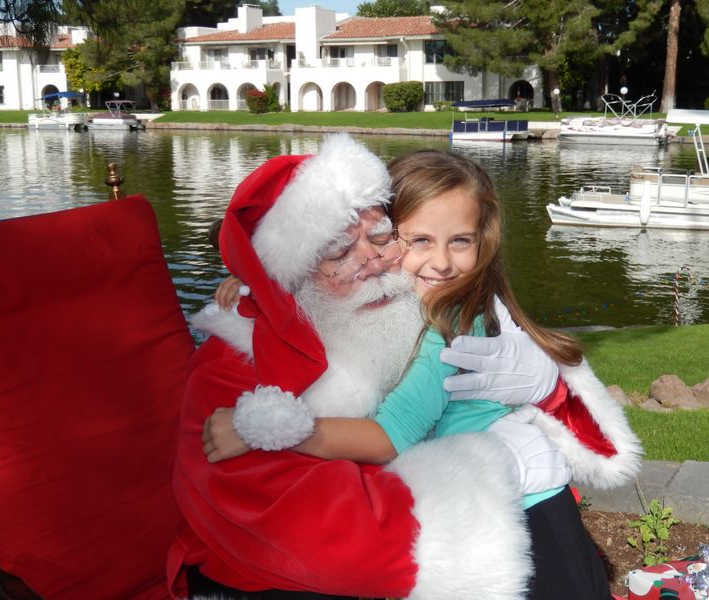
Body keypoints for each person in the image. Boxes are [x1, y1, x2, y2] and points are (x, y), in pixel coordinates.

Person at [170, 134, 642, 600]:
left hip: (525, 526)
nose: (373, 261)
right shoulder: (241, 355)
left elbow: (389, 435)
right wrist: (249, 274)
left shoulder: (445, 319)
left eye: (379, 238)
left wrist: (274, 429)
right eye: (337, 252)